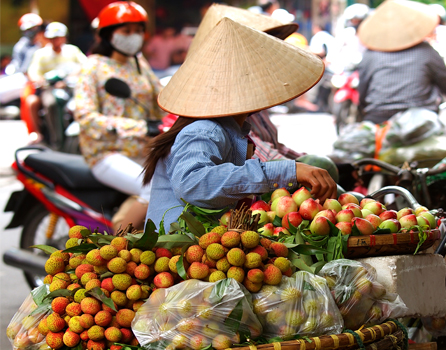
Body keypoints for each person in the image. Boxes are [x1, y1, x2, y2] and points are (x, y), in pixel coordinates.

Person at [143, 18, 337, 229]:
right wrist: (288, 171)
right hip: (175, 253)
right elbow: (194, 185)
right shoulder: (205, 130)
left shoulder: (232, 131)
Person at [73, 1, 164, 231]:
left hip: (144, 151)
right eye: (126, 31)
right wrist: (139, 128)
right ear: (108, 34)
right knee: (153, 187)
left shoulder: (139, 63)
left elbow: (162, 98)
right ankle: (118, 251)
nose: (134, 36)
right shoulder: (92, 67)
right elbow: (85, 116)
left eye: (138, 31)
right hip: (107, 153)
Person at [186, 3, 301, 162]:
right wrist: (294, 169)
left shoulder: (253, 97)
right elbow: (256, 153)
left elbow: (271, 147)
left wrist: (303, 163)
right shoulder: (217, 113)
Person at [356, 0, 446, 124]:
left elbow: (362, 92)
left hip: (378, 119)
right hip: (421, 122)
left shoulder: (370, 55)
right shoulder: (426, 52)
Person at [25, 22, 87, 142]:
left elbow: (85, 65)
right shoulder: (41, 54)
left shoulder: (72, 51)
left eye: (58, 37)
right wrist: (40, 80)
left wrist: (71, 76)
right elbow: (33, 72)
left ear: (64, 38)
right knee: (42, 103)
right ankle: (40, 134)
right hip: (49, 89)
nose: (56, 41)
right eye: (52, 38)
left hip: (69, 87)